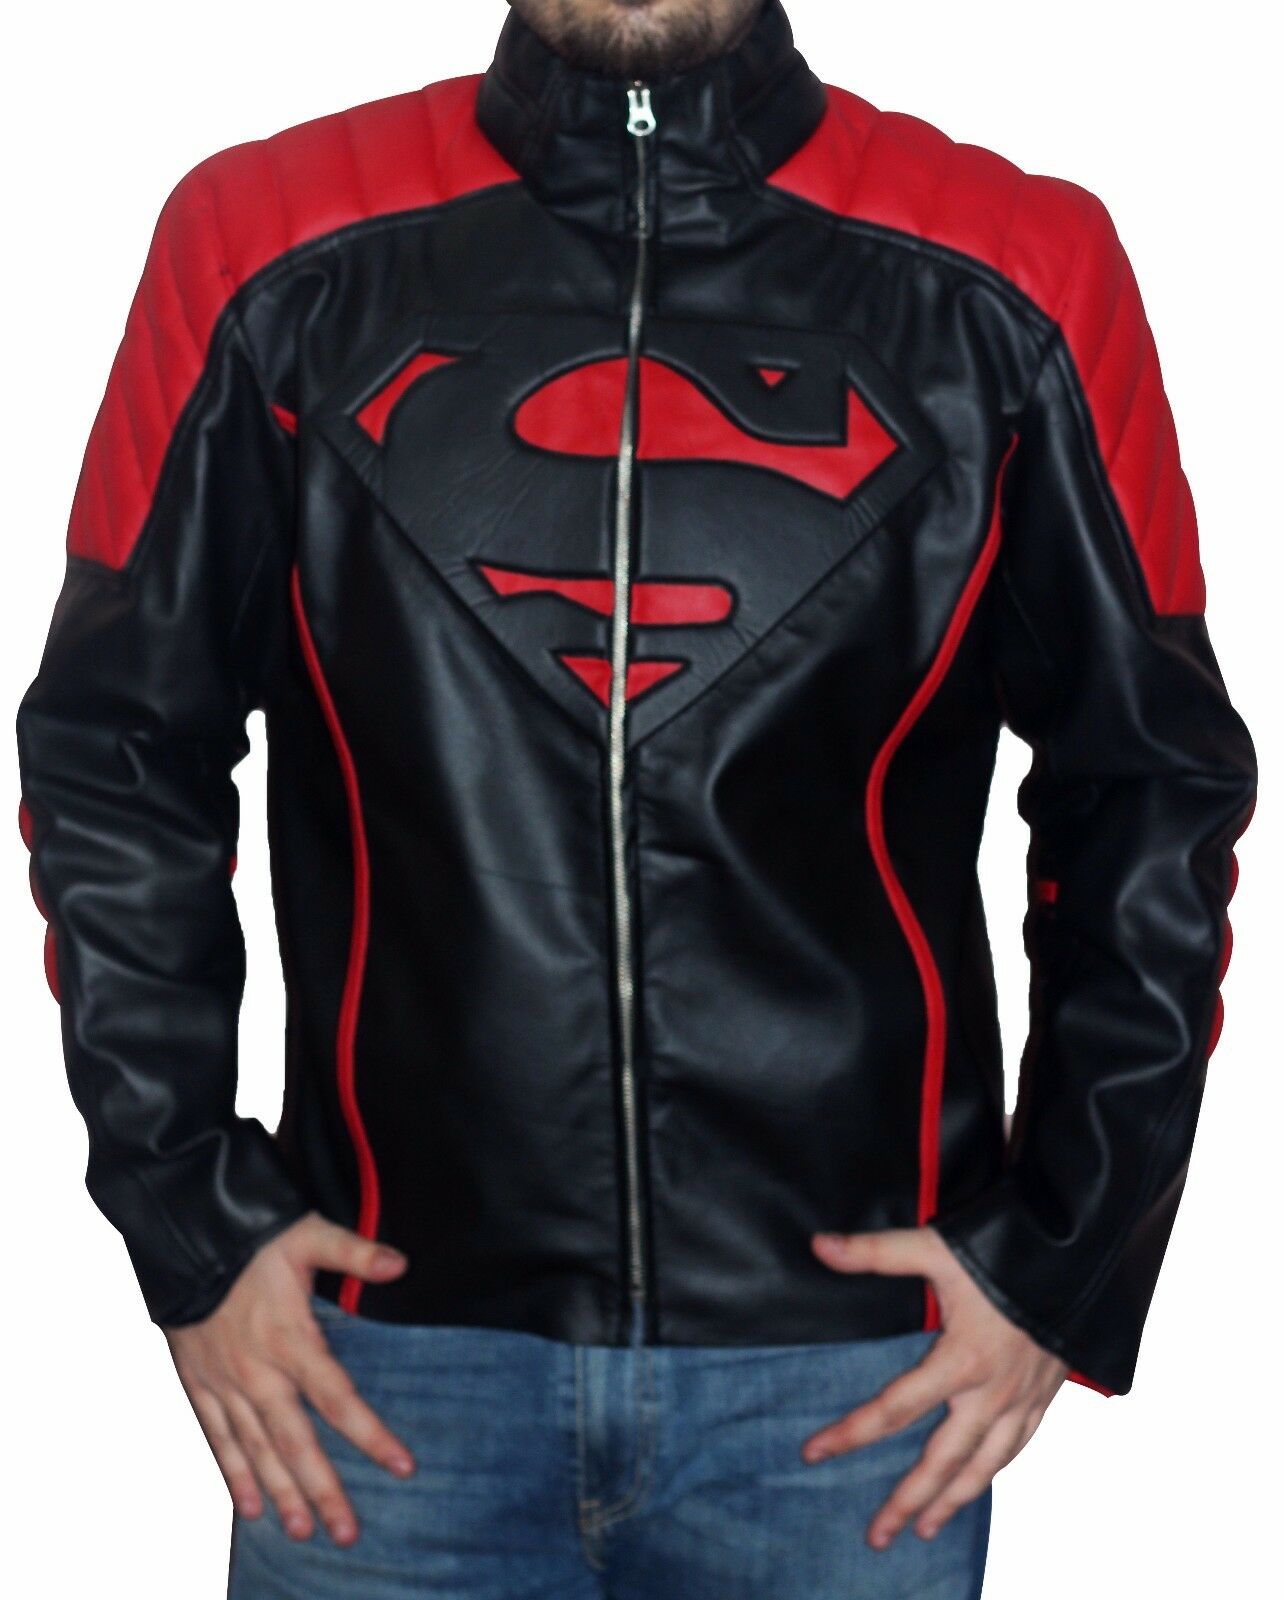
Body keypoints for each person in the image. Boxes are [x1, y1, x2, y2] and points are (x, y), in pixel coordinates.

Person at [15, 1, 1256, 1595]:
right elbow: (116, 750)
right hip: (379, 1369)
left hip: (849, 1386)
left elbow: (1150, 784)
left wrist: (1062, 1260)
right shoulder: (265, 247)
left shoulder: (1014, 272)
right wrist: (190, 1219)